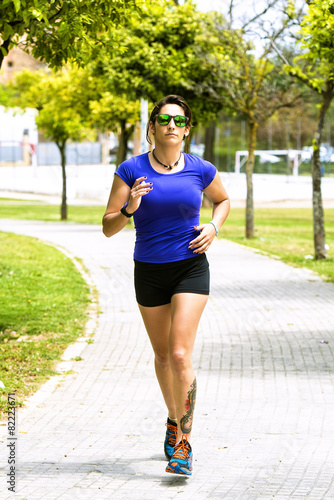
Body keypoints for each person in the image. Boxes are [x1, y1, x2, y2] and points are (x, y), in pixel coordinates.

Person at [102, 95, 230, 476]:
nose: (171, 125)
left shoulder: (201, 169)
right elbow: (108, 227)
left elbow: (222, 202)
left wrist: (213, 226)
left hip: (191, 267)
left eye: (178, 119)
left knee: (178, 355)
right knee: (161, 356)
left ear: (187, 128)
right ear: (153, 127)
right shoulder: (130, 169)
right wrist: (130, 208)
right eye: (164, 119)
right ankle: (173, 420)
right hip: (150, 270)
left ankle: (184, 445)